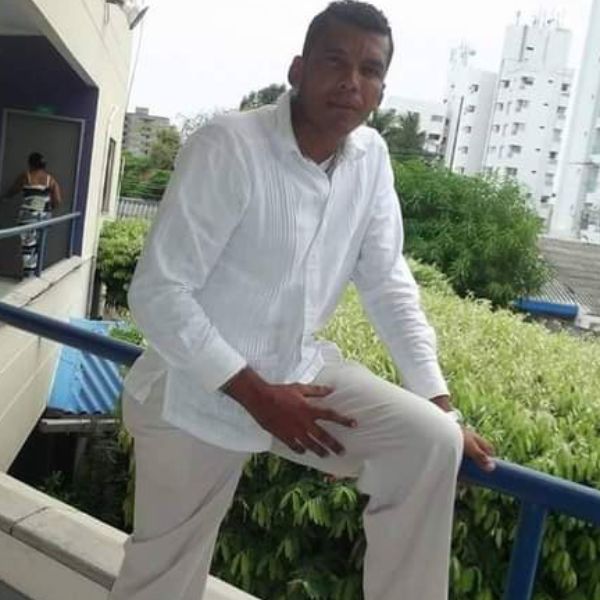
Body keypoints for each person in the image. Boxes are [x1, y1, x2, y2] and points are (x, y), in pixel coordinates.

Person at [110, 2, 496, 599]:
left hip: (300, 377)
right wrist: (260, 397)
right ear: (298, 69)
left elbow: (387, 283)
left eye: (370, 70)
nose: (351, 82)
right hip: (195, 391)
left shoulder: (372, 159)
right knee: (162, 579)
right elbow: (159, 293)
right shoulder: (229, 146)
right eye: (334, 62)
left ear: (381, 90)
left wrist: (442, 406)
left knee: (430, 443)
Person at [2, 152, 61, 276]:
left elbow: (13, 190)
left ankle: (29, 276)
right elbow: (57, 201)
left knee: (28, 248)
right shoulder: (50, 180)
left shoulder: (26, 176)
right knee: (39, 247)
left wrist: (4, 197)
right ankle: (35, 274)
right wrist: (47, 208)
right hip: (44, 219)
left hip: (27, 219)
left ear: (31, 164)